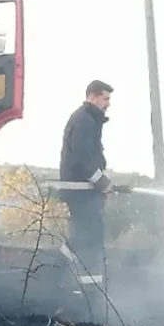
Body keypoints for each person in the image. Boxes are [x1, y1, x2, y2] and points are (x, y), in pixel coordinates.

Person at [58, 79, 114, 291]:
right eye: (105, 98)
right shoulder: (84, 121)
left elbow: (89, 157)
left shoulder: (88, 120)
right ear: (93, 96)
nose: (108, 104)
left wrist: (102, 183)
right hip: (81, 191)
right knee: (90, 238)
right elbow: (82, 157)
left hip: (84, 190)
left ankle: (71, 273)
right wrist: (101, 182)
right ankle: (90, 291)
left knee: (86, 236)